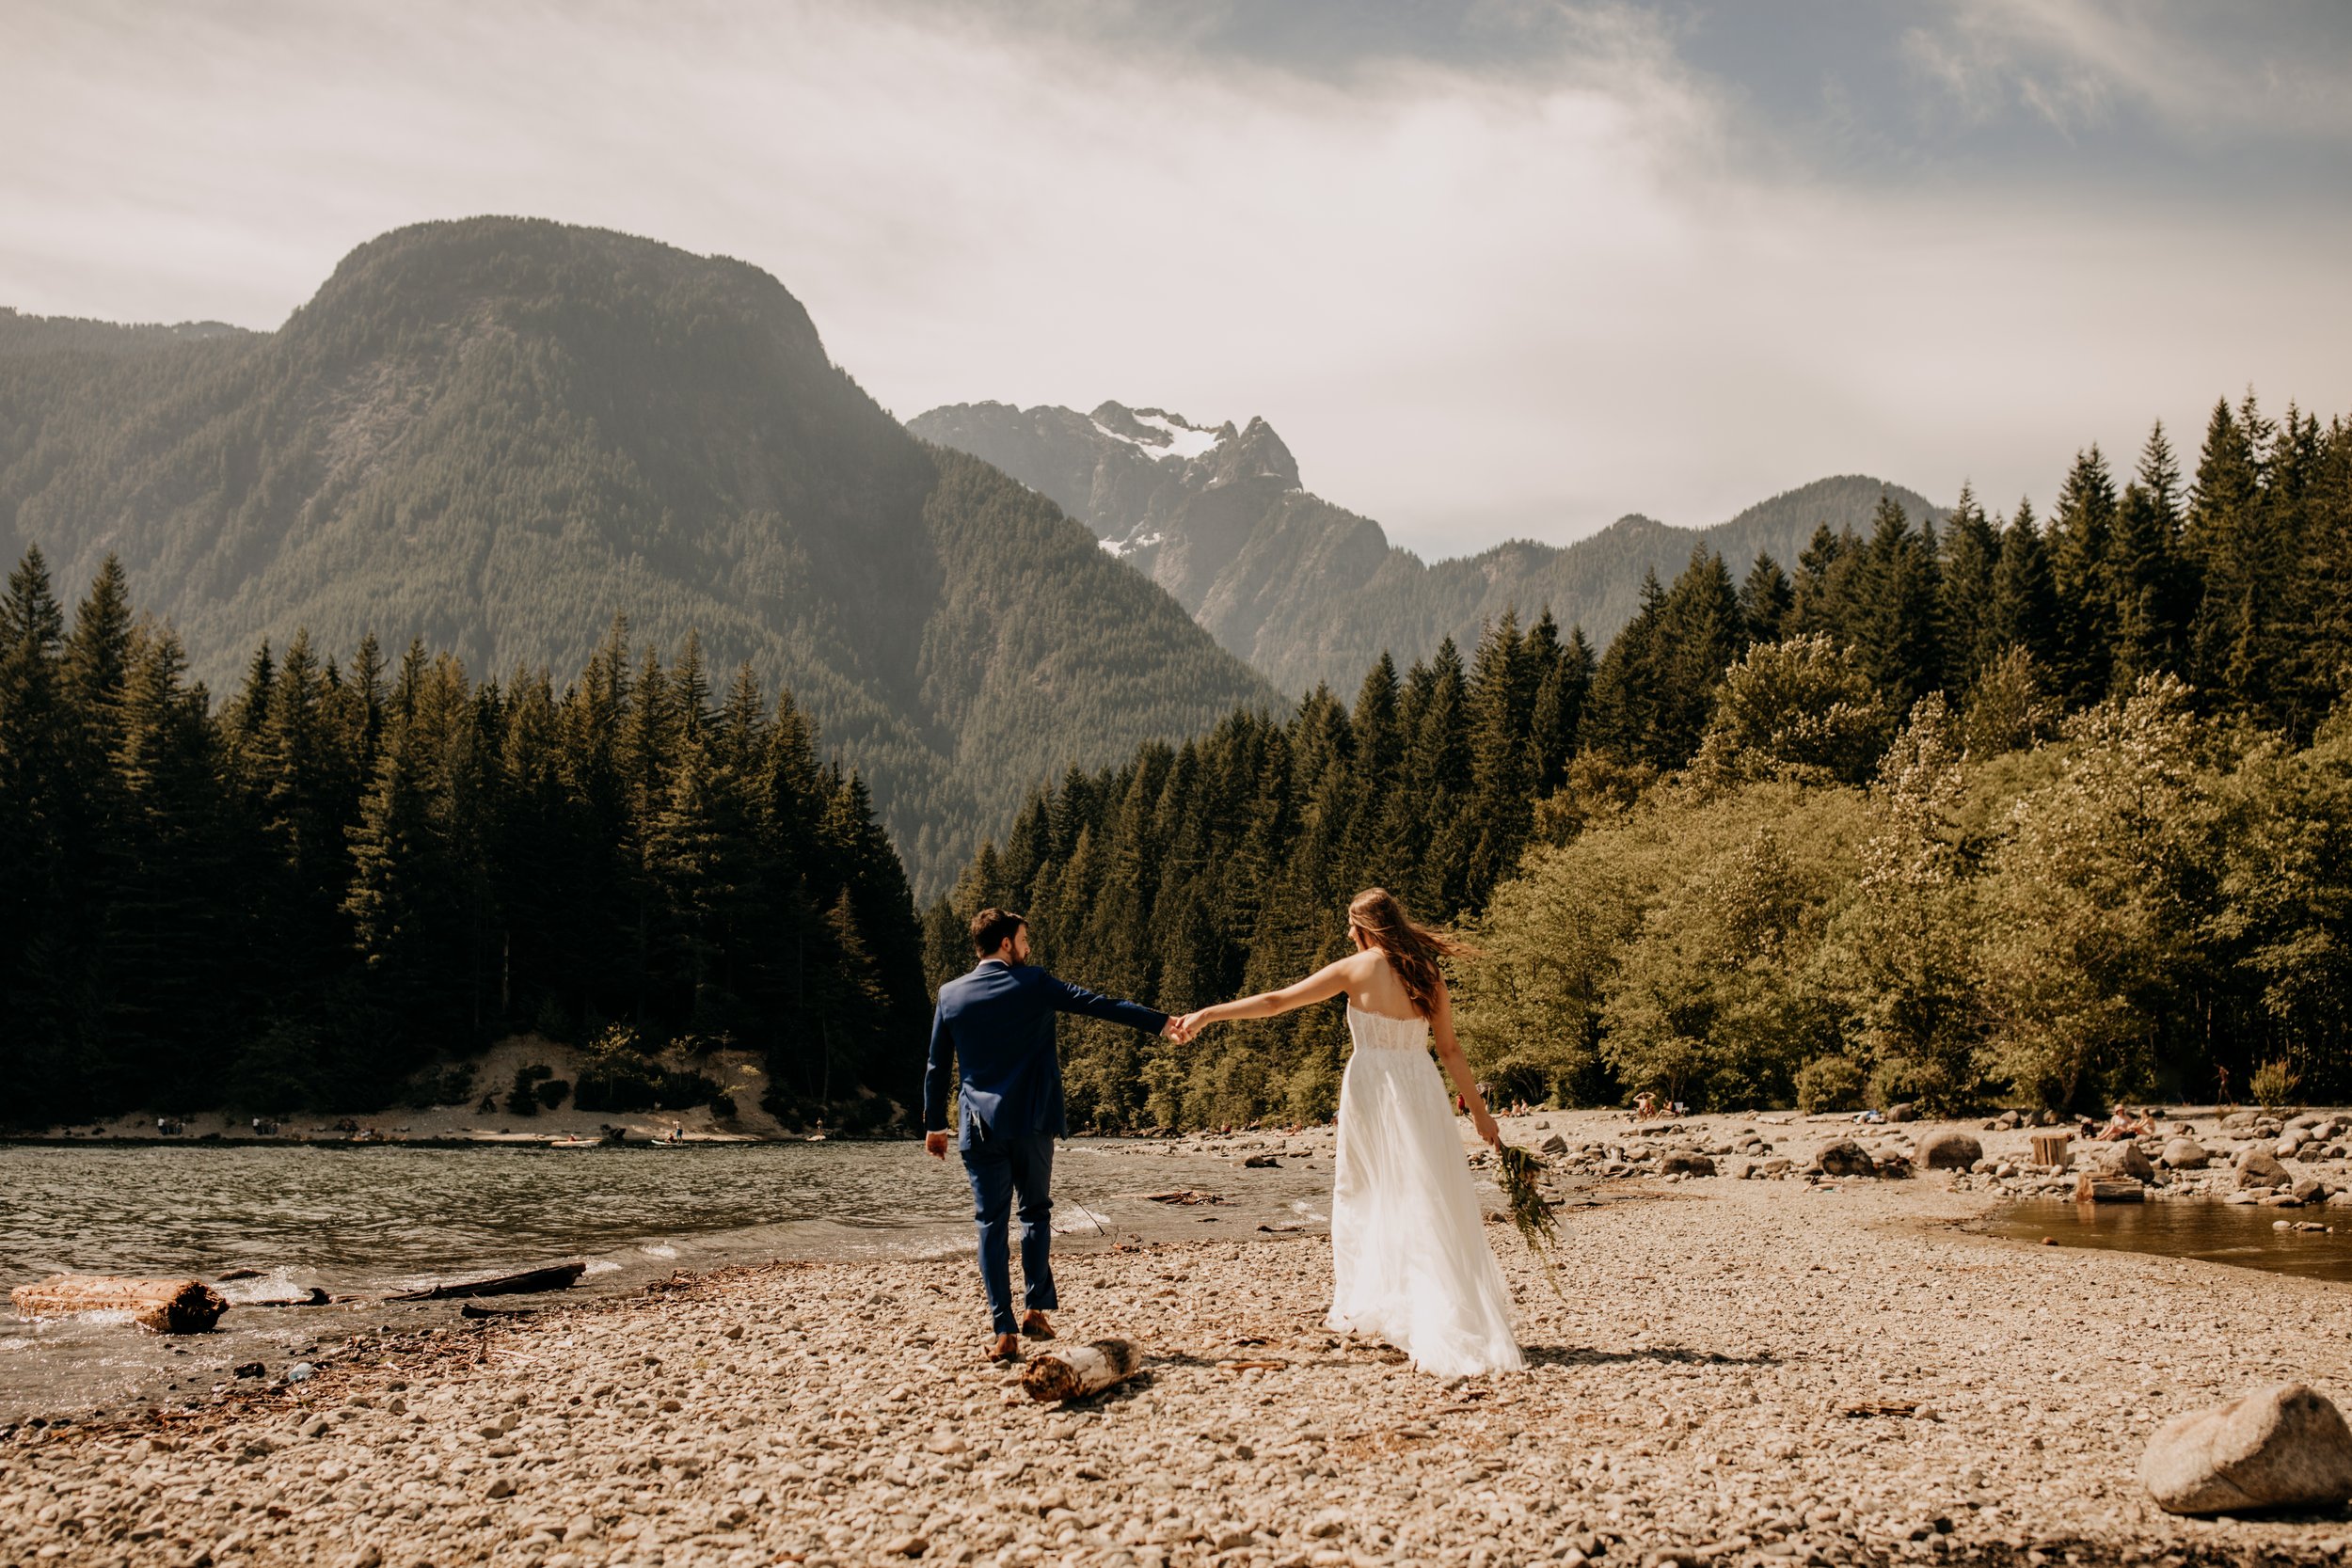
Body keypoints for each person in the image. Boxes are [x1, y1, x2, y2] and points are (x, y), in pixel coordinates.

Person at [1177, 888, 1523, 1378]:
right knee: (1428, 1194)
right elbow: (1449, 1050)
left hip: (1374, 1090)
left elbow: (1277, 1002)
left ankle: (1379, 1303)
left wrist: (1210, 1013)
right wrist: (1480, 1115)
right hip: (1421, 1087)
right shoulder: (1427, 973)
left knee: (1365, 1192)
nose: (1346, 932)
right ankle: (1434, 1307)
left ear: (1364, 926)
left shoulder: (1355, 969)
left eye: (1349, 924)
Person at [925, 908, 1185, 1362]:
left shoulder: (950, 994)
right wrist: (1160, 1022)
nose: (1027, 948)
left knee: (989, 1223)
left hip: (979, 1127)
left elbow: (937, 1066)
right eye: (1023, 939)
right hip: (1032, 1121)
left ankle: (1002, 1328)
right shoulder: (1034, 983)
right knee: (1034, 1213)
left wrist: (934, 1125)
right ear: (1006, 943)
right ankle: (1036, 1309)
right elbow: (1096, 1003)